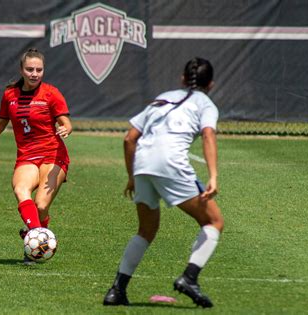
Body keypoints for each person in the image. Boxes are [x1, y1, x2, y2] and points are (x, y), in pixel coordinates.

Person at [103, 57, 224, 308]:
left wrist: (131, 176)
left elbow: (129, 139)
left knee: (146, 230)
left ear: (182, 79)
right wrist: (213, 175)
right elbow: (208, 134)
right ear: (211, 84)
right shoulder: (206, 104)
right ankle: (189, 278)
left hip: (143, 164)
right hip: (171, 164)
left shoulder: (163, 96)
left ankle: (116, 290)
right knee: (214, 221)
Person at [0, 48, 72, 265]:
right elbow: (1, 122)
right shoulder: (10, 94)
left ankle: (34, 238)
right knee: (21, 190)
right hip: (27, 156)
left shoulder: (51, 93)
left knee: (40, 206)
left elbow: (66, 122)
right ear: (21, 70)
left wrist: (66, 129)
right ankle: (38, 239)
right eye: (30, 69)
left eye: (39, 69)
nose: (34, 73)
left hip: (53, 154)